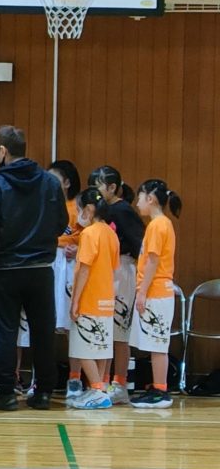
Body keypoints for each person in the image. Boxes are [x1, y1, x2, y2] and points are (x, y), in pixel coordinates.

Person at [0, 125, 68, 411]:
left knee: (6, 332)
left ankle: (6, 393)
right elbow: (61, 222)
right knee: (43, 331)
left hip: (5, 269)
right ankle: (43, 392)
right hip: (41, 269)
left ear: (3, 151)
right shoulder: (50, 183)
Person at [90, 165, 145, 404]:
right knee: (105, 329)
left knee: (120, 332)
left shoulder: (123, 210)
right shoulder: (103, 211)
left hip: (123, 271)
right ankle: (101, 383)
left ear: (112, 187)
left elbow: (139, 246)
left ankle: (119, 384)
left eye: (98, 186)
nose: (95, 191)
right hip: (107, 271)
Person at [129, 179, 182, 409]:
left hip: (157, 292)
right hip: (156, 291)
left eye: (140, 198)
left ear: (150, 199)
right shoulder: (160, 224)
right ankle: (157, 386)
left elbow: (153, 261)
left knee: (158, 344)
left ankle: (161, 391)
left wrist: (142, 292)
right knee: (154, 343)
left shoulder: (158, 225)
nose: (137, 203)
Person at [68, 187, 120, 410]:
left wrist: (75, 301)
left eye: (80, 209)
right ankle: (98, 388)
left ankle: (97, 390)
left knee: (83, 349)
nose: (78, 214)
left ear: (89, 209)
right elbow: (114, 267)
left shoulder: (89, 234)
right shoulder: (111, 233)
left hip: (90, 298)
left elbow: (84, 269)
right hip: (107, 299)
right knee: (101, 347)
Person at [48, 160, 83, 400]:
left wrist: (78, 248)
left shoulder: (76, 207)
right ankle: (42, 378)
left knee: (73, 324)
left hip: (70, 265)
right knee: (45, 323)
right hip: (50, 262)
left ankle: (75, 378)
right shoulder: (45, 203)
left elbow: (87, 235)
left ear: (67, 182)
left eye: (55, 178)